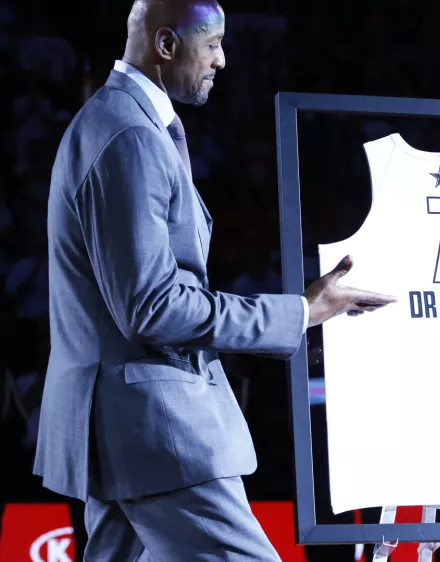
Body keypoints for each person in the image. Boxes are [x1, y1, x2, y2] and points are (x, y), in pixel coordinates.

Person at [33, 1, 396, 559]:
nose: (222, 60)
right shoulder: (129, 136)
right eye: (213, 45)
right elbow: (152, 307)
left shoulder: (118, 123)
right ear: (165, 45)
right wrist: (300, 311)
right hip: (157, 434)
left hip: (127, 431)